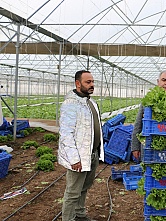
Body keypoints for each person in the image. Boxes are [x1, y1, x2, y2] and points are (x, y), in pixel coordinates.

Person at [58, 70, 104, 221]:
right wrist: (73, 159)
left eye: (92, 82)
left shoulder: (91, 102)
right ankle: (69, 219)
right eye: (88, 82)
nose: (92, 85)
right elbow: (66, 134)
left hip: (92, 154)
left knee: (84, 188)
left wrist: (98, 151)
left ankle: (80, 215)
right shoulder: (71, 104)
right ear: (78, 84)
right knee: (72, 192)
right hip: (78, 157)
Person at [131, 70, 166, 161]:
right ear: (158, 82)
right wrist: (135, 147)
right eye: (164, 80)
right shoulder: (148, 100)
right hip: (149, 147)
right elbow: (138, 125)